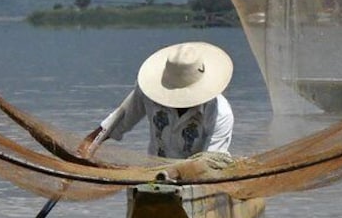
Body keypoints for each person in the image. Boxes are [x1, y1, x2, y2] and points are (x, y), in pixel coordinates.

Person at [78, 41, 234, 159]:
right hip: (154, 174)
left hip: (198, 179)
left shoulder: (220, 113)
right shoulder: (149, 92)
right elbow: (120, 118)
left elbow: (211, 160)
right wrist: (89, 143)